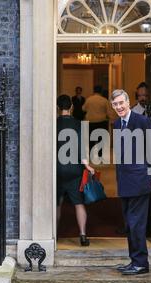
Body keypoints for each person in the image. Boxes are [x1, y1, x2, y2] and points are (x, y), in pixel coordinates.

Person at [111, 89, 151, 275]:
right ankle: (134, 261)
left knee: (136, 224)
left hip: (140, 180)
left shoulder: (142, 121)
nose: (119, 107)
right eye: (115, 104)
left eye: (121, 103)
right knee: (129, 225)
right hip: (124, 181)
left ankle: (141, 263)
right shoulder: (117, 124)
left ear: (128, 101)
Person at [57, 94, 94, 246]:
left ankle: (54, 235)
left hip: (57, 168)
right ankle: (83, 235)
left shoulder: (53, 124)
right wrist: (87, 165)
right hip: (74, 169)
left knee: (57, 204)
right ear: (71, 107)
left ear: (58, 108)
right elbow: (82, 148)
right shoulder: (78, 124)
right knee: (79, 204)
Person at [82, 85, 116, 154]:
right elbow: (109, 112)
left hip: (91, 122)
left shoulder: (89, 99)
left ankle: (91, 155)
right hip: (102, 122)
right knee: (101, 140)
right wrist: (113, 119)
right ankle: (100, 155)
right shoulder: (104, 100)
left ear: (94, 91)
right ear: (101, 91)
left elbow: (83, 109)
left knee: (91, 140)